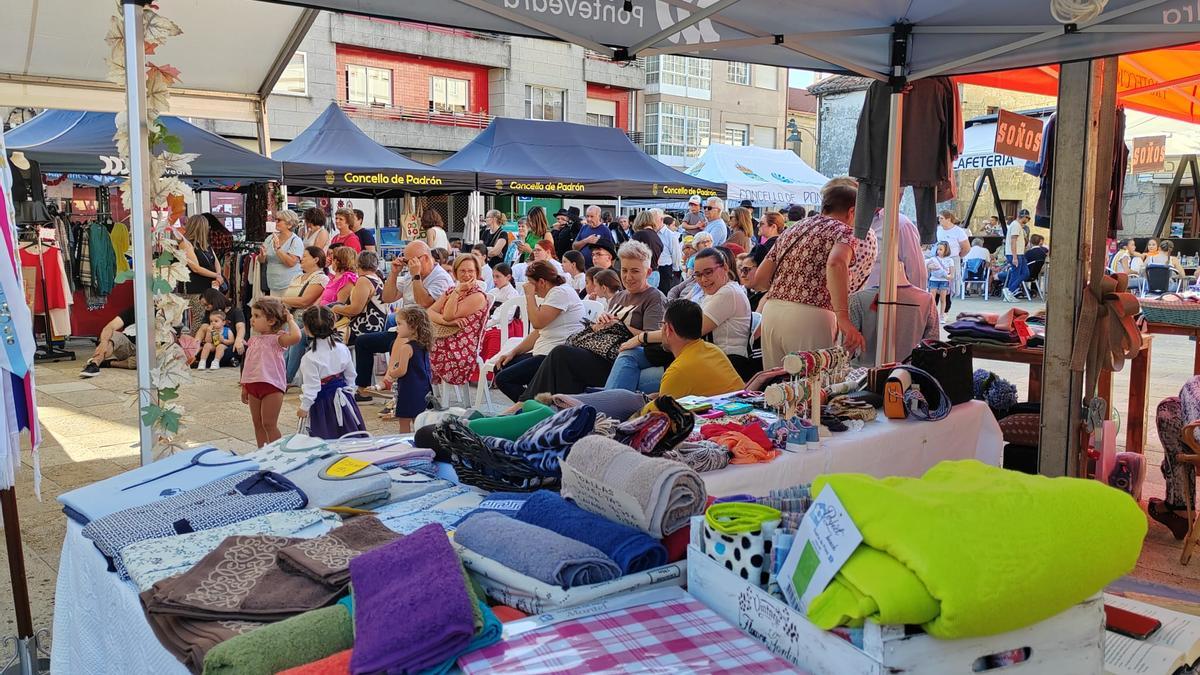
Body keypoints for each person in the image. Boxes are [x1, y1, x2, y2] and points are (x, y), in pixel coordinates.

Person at [519, 240, 665, 400]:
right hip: (601, 352)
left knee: (561, 355)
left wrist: (620, 325)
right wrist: (600, 324)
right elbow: (604, 331)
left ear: (648, 272)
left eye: (635, 271)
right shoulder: (620, 297)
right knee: (560, 361)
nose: (628, 277)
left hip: (618, 359)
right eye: (624, 270)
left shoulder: (653, 298)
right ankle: (553, 409)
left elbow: (653, 338)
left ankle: (526, 405)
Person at [752, 184, 866, 368]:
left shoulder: (793, 229)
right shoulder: (844, 231)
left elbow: (759, 280)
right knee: (812, 389)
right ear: (852, 211)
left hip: (772, 312)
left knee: (777, 391)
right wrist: (843, 318)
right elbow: (836, 263)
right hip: (812, 315)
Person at [607, 247, 751, 393]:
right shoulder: (708, 292)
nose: (703, 279)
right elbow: (675, 314)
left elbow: (687, 330)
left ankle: (606, 407)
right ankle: (607, 407)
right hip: (693, 356)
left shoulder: (728, 292)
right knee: (628, 355)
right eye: (698, 275)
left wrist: (641, 337)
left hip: (720, 363)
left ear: (725, 268)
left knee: (632, 377)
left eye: (708, 272)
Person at [493, 260, 586, 402]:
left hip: (554, 356)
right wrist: (513, 352)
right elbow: (539, 332)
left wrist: (530, 296)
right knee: (501, 367)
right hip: (543, 350)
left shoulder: (560, 292)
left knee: (504, 379)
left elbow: (536, 323)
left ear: (541, 282)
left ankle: (532, 407)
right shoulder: (552, 293)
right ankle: (532, 402)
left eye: (530, 282)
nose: (528, 287)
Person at [650, 299, 745, 402]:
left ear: (668, 329)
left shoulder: (677, 372)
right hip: (743, 409)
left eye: (662, 324)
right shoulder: (713, 349)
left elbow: (659, 415)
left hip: (719, 415)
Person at [849, 259, 939, 367]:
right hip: (910, 373)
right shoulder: (926, 300)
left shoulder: (858, 299)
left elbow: (847, 348)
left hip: (867, 374)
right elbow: (932, 344)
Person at [296, 305, 365, 439]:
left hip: (323, 404)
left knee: (326, 436)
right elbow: (351, 374)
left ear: (307, 329)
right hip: (345, 399)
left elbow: (312, 387)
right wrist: (349, 391)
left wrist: (304, 408)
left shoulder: (309, 358)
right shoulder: (342, 348)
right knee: (349, 433)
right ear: (333, 324)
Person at [240, 297, 301, 447]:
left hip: (272, 386)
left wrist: (290, 320)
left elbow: (296, 336)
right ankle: (262, 453)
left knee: (269, 423)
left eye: (257, 316)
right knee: (258, 423)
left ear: (271, 320)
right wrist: (244, 386)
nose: (251, 319)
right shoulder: (253, 340)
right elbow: (248, 365)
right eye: (252, 315)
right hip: (253, 386)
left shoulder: (278, 339)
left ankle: (277, 454)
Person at [429, 254, 490, 388]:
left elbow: (448, 315)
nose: (466, 275)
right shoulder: (452, 290)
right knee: (409, 342)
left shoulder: (477, 296)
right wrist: (447, 323)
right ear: (456, 272)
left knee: (416, 348)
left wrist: (457, 292)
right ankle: (419, 392)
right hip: (445, 338)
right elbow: (429, 313)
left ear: (477, 273)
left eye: (470, 271)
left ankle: (420, 393)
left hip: (461, 348)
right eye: (462, 271)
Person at [280, 246, 330, 384]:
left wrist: (280, 300)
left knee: (293, 341)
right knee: (279, 342)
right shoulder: (297, 277)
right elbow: (290, 298)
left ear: (315, 259)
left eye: (305, 256)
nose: (301, 258)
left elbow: (305, 301)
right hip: (289, 315)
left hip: (305, 317)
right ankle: (277, 375)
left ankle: (285, 378)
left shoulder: (320, 278)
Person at [385, 306, 434, 432]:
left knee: (404, 421)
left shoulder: (406, 348)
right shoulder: (423, 345)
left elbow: (402, 370)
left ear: (413, 326)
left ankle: (405, 443)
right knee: (418, 420)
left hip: (408, 389)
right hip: (423, 387)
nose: (397, 328)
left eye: (400, 324)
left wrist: (391, 372)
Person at [332, 250, 387, 347]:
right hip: (376, 325)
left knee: (321, 336)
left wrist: (336, 308)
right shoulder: (377, 279)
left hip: (363, 327)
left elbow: (355, 309)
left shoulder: (364, 280)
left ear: (358, 263)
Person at [178, 213, 224, 329]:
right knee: (200, 318)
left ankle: (200, 343)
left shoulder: (205, 244)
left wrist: (217, 275)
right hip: (193, 288)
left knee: (207, 317)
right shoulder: (186, 244)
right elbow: (195, 268)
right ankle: (194, 344)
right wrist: (217, 275)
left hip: (206, 287)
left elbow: (216, 262)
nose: (208, 229)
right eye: (207, 226)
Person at [80, 307, 138, 376]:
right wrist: (103, 343)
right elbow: (110, 327)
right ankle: (95, 363)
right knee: (113, 335)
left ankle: (110, 363)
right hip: (129, 346)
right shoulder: (134, 310)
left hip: (147, 353)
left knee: (144, 362)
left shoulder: (154, 314)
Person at [198, 288, 246, 366]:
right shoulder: (209, 313)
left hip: (229, 346)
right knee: (203, 351)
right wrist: (195, 346)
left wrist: (238, 340)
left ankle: (217, 361)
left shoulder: (235, 311)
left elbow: (240, 327)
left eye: (207, 305)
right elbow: (203, 329)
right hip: (213, 346)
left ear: (214, 301)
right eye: (204, 306)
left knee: (232, 350)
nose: (205, 308)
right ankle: (226, 361)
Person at [263, 209, 305, 295]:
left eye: (279, 220)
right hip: (273, 284)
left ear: (289, 224)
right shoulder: (270, 238)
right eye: (275, 219)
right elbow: (263, 260)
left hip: (290, 285)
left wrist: (278, 249)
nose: (276, 222)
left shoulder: (296, 241)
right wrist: (261, 255)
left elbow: (291, 263)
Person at [1002, 209, 1030, 302]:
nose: (1028, 221)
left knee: (1024, 273)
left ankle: (1009, 293)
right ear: (1024, 217)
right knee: (1016, 273)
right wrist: (1014, 257)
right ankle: (1009, 291)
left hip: (1019, 254)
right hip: (1015, 254)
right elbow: (1013, 241)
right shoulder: (1015, 226)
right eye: (1028, 218)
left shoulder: (1018, 226)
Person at [656, 209, 683, 294]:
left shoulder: (670, 235)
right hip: (653, 268)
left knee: (664, 293)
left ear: (660, 220)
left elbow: (676, 253)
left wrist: (675, 269)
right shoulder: (653, 232)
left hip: (665, 268)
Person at [926, 241, 955, 323]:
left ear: (946, 250)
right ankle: (931, 315)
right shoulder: (933, 259)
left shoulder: (950, 260)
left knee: (943, 299)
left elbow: (952, 273)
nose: (938, 251)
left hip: (944, 281)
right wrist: (931, 267)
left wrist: (948, 277)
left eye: (941, 249)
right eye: (938, 249)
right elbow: (927, 267)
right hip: (934, 280)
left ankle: (942, 315)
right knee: (932, 299)